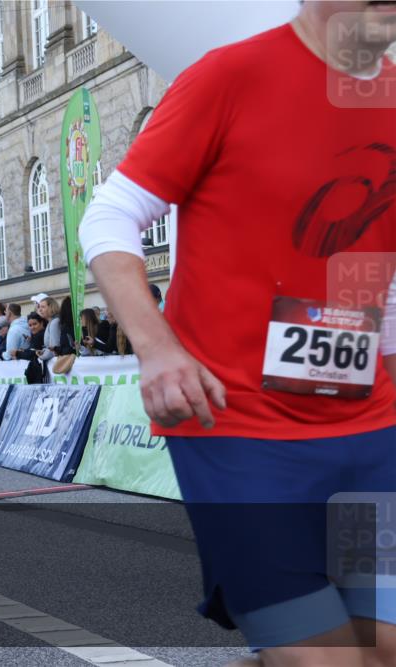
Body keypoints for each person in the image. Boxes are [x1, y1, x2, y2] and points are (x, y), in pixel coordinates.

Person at [79, 3, 396, 665]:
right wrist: (157, 348)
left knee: (385, 646)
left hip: (373, 430)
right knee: (327, 659)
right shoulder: (229, 76)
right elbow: (108, 219)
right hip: (240, 430)